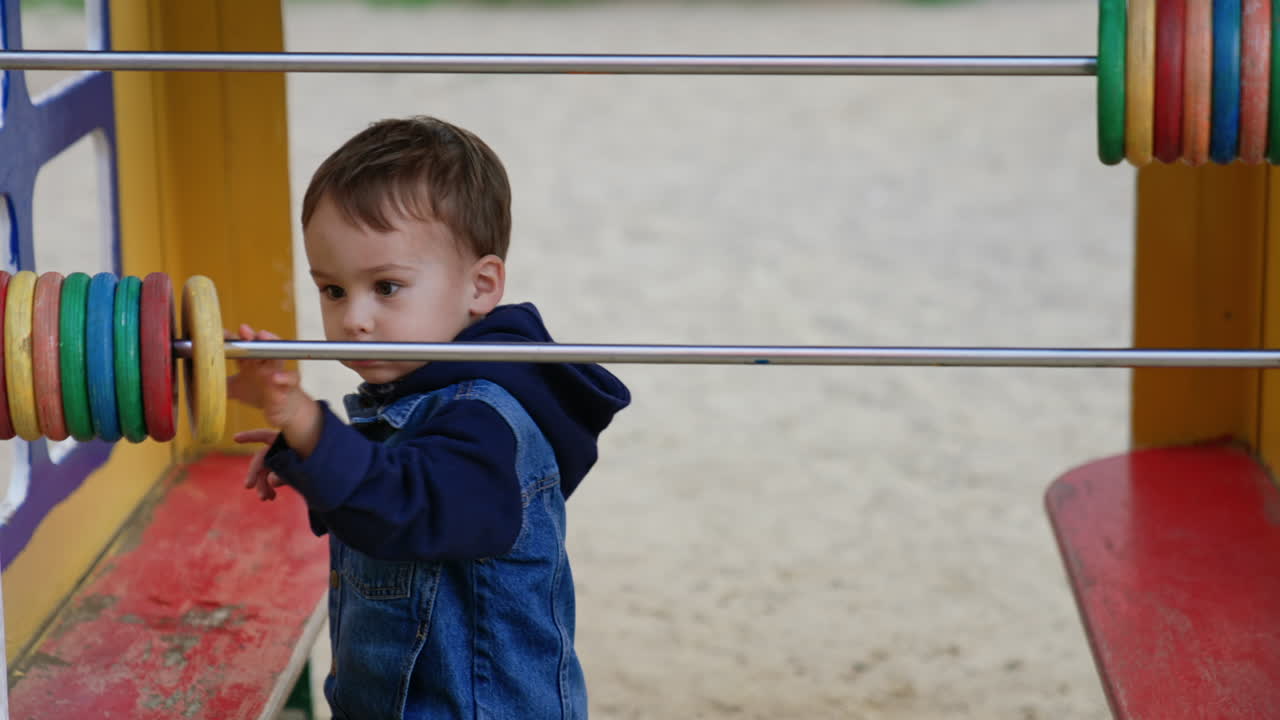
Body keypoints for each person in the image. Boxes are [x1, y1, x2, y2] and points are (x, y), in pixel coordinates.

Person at [228, 115, 631, 719]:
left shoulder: (485, 419)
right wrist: (306, 454)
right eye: (333, 290)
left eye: (386, 287)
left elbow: (411, 505)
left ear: (481, 285)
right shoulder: (421, 397)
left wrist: (312, 425)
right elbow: (388, 479)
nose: (354, 318)